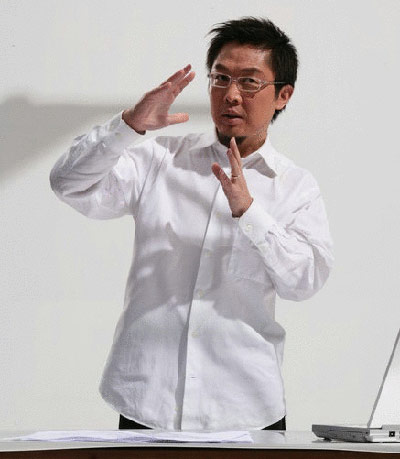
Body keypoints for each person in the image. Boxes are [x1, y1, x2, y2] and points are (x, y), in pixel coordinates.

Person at [50, 17, 333, 431]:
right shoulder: (160, 159)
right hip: (148, 400)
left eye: (249, 82)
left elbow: (304, 282)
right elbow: (68, 183)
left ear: (282, 95)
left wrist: (249, 213)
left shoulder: (295, 186)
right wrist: (129, 125)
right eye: (220, 78)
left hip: (245, 408)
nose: (231, 94)